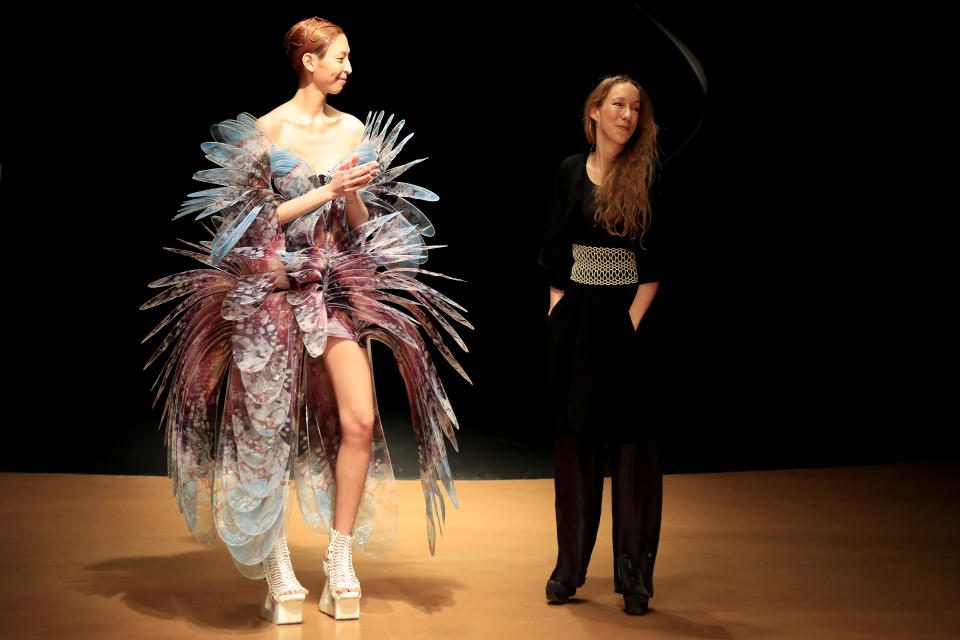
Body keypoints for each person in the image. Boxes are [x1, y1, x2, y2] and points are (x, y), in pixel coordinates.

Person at [143, 17, 468, 625]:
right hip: (274, 292)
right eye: (340, 57)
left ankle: (340, 556)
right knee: (270, 429)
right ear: (308, 61)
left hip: (335, 290)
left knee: (361, 419)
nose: (348, 68)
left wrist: (348, 194)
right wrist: (327, 189)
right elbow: (247, 225)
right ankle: (277, 561)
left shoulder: (352, 129)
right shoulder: (266, 131)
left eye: (349, 58)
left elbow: (358, 224)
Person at [542, 74, 664, 616]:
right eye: (618, 105)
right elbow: (554, 249)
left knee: (634, 450)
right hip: (578, 320)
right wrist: (556, 314)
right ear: (595, 111)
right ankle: (570, 569)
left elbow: (658, 261)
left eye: (636, 108)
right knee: (576, 446)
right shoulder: (572, 170)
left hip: (627, 319)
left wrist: (632, 324)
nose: (627, 115)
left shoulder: (649, 174)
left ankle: (635, 577)